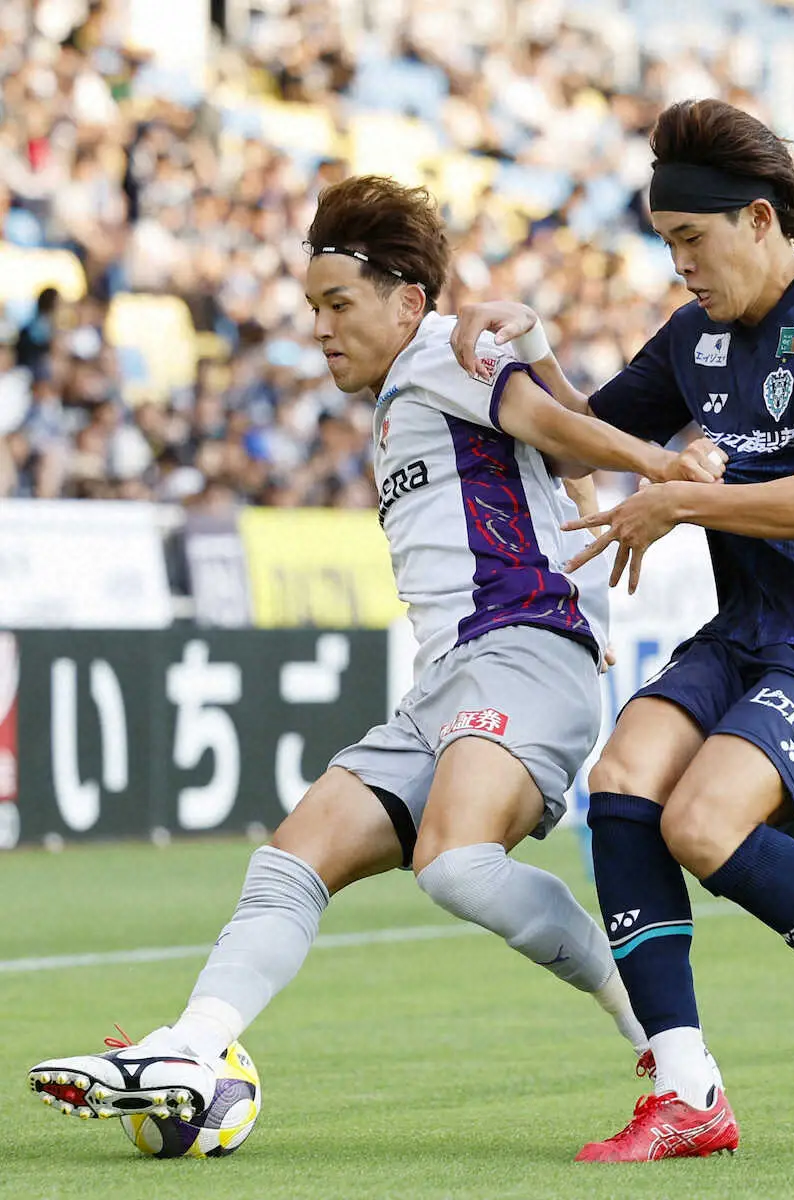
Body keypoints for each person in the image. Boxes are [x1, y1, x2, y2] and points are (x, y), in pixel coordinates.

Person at [27, 175, 723, 1128]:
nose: (320, 327)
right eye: (312, 307)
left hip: (524, 655)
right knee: (290, 861)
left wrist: (659, 464)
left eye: (338, 304)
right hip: (445, 685)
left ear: (407, 302)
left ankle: (661, 1039)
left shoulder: (441, 349)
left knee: (455, 863)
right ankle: (191, 1045)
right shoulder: (407, 390)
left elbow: (554, 429)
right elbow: (559, 463)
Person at [451, 99, 794, 1162]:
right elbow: (582, 446)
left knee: (702, 825)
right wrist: (531, 350)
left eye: (690, 239)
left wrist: (687, 500)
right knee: (622, 783)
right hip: (749, 630)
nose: (680, 266)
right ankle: (687, 1088)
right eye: (666, 243)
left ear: (758, 219)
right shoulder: (695, 338)